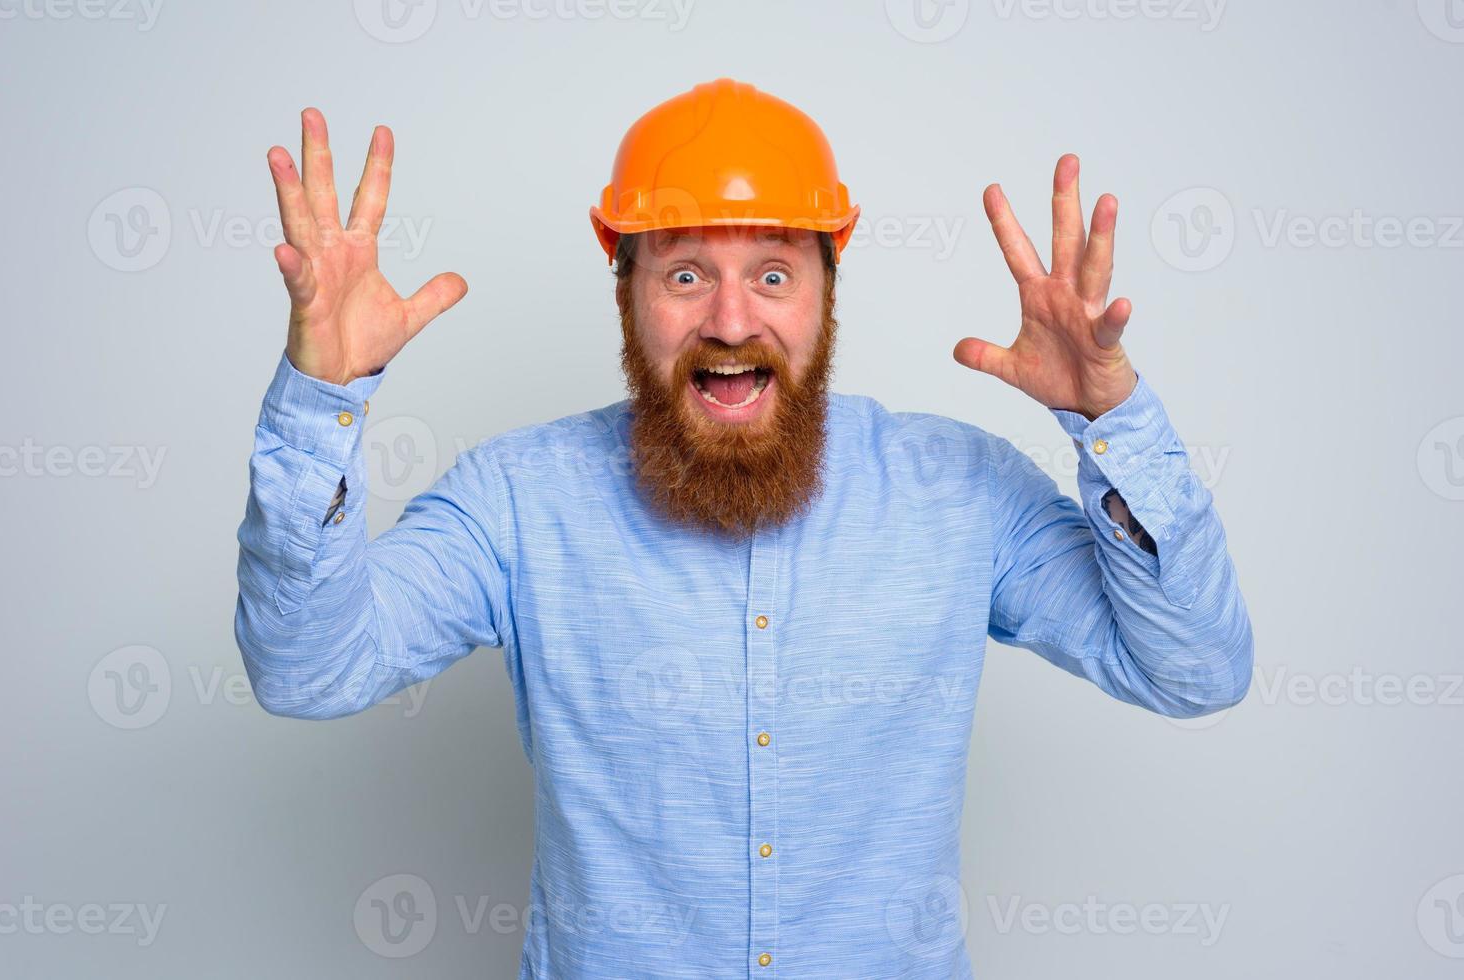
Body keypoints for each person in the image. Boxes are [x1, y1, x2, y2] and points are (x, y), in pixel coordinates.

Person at [235, 77, 1252, 979]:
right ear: (627, 293)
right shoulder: (517, 497)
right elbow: (307, 670)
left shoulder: (961, 490)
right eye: (683, 274)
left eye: (772, 273)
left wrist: (1111, 427)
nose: (729, 319)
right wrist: (322, 400)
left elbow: (1195, 669)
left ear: (825, 296)